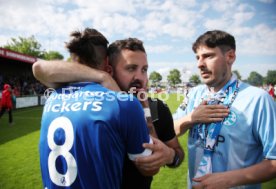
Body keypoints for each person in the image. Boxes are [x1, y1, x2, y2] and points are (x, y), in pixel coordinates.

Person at [33, 37, 184, 189]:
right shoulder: (95, 105)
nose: (140, 77)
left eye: (144, 69)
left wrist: (171, 156)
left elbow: (177, 153)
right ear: (109, 69)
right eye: (131, 68)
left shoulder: (158, 108)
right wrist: (102, 77)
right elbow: (39, 68)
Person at [173, 30, 276, 189]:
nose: (200, 64)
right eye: (198, 57)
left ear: (230, 56)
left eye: (208, 56)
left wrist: (230, 179)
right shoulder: (195, 94)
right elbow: (169, 131)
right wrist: (190, 119)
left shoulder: (258, 99)